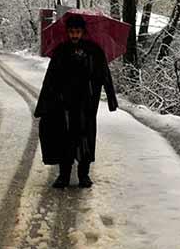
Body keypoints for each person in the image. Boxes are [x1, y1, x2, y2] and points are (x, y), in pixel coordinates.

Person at [34, 13, 118, 188]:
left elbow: (105, 74)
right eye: (71, 31)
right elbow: (50, 79)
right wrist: (43, 105)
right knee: (65, 139)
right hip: (64, 104)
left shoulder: (94, 51)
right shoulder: (61, 51)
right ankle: (63, 175)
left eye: (77, 31)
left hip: (87, 103)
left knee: (85, 139)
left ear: (83, 32)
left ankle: (84, 175)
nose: (74, 35)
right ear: (67, 32)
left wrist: (111, 99)